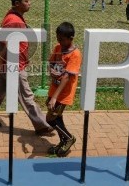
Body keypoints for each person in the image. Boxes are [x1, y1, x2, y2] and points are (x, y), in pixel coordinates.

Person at [0, 0, 54, 136]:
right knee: (26, 96)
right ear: (17, 3)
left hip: (13, 63)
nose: (29, 3)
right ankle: (42, 125)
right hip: (13, 66)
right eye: (26, 1)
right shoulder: (14, 20)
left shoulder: (15, 15)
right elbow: (2, 45)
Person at [46, 22, 82, 157]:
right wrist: (51, 70)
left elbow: (67, 77)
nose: (59, 41)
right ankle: (62, 142)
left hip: (63, 93)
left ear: (71, 37)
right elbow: (50, 62)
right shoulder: (58, 47)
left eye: (62, 39)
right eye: (57, 38)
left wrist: (55, 97)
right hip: (54, 88)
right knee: (56, 116)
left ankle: (68, 138)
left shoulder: (75, 54)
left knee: (50, 119)